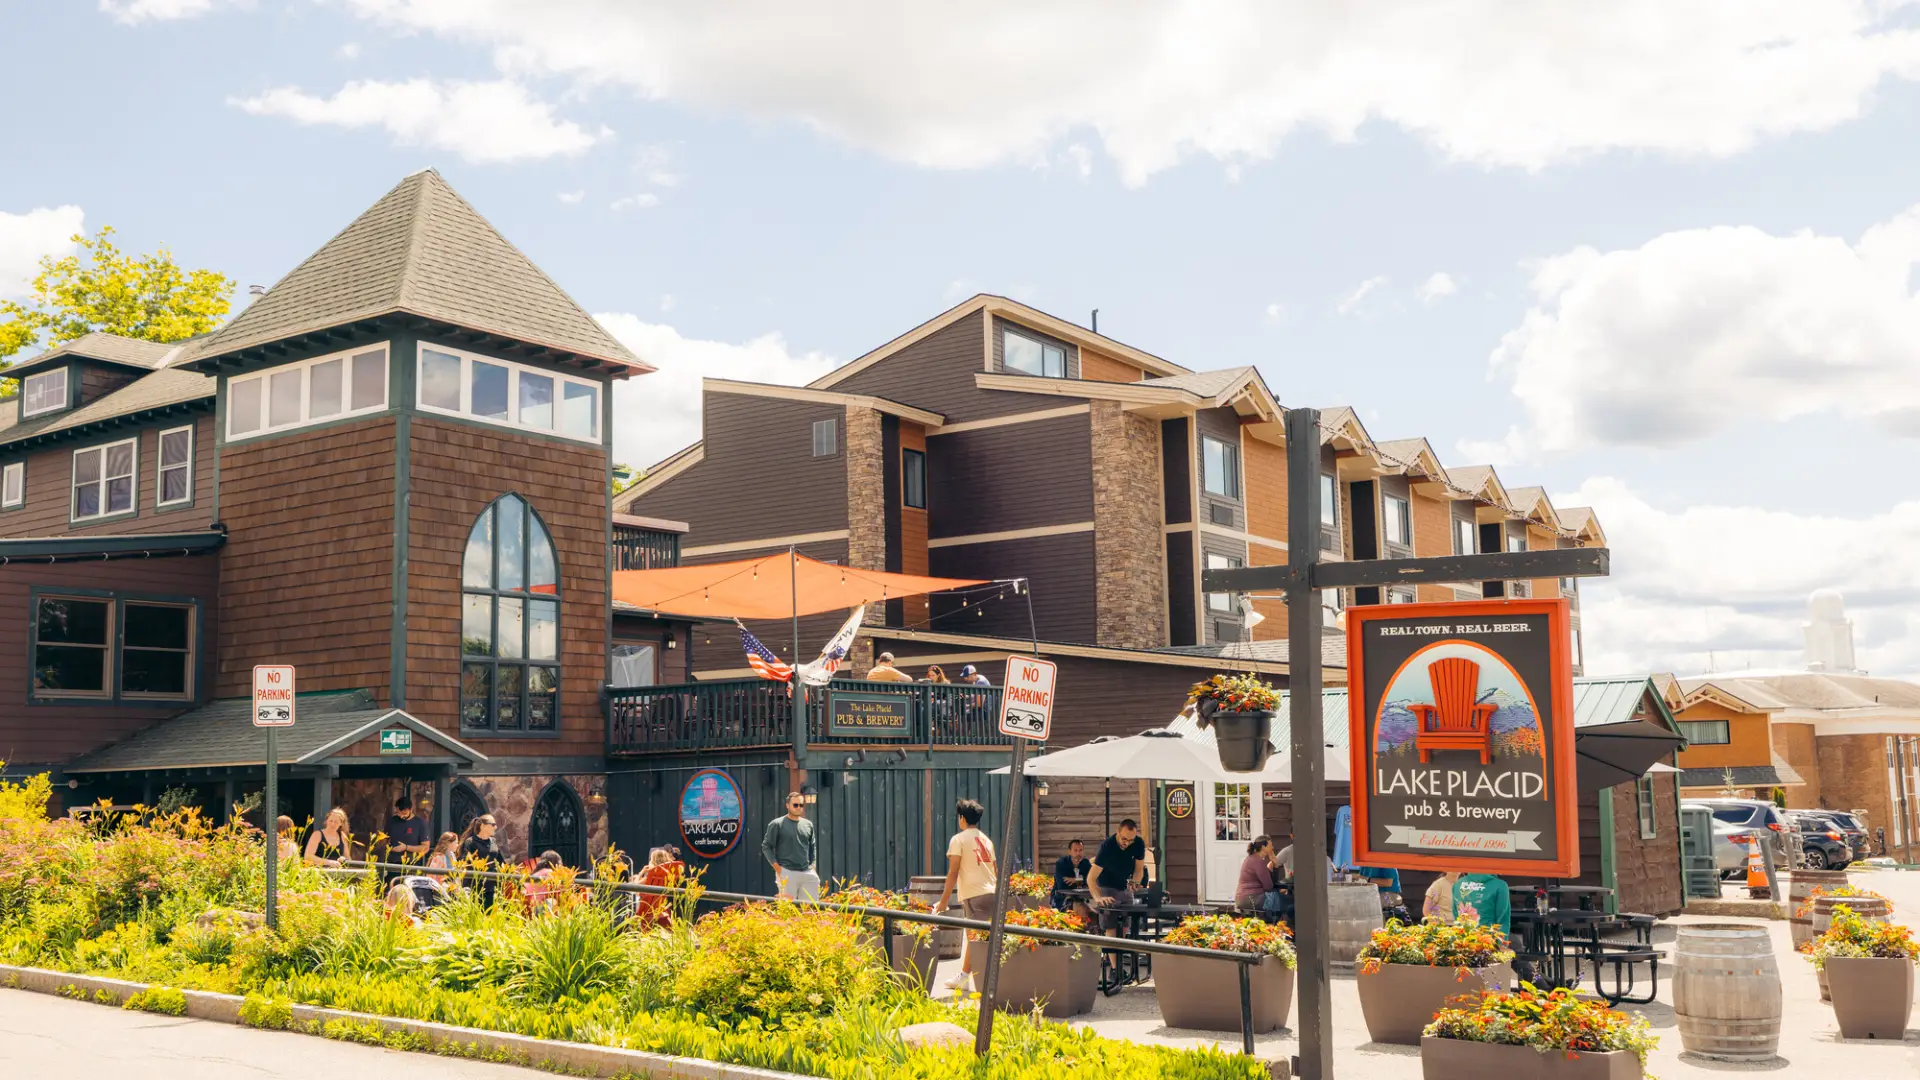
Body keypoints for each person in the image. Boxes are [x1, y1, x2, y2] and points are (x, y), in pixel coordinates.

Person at [932, 799, 998, 992]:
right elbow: (995, 868)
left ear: (962, 818)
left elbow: (953, 872)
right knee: (980, 937)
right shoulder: (986, 840)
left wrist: (943, 902)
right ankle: (965, 976)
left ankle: (966, 978)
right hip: (992, 892)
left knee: (975, 937)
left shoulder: (958, 839)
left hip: (974, 894)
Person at [1087, 819, 1147, 936]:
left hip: (1125, 888)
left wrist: (1135, 882)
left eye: (1131, 840)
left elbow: (1139, 869)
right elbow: (1091, 878)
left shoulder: (1138, 843)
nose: (1127, 843)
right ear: (1118, 832)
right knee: (1111, 929)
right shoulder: (1107, 846)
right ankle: (1111, 948)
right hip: (1107, 888)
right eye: (1124, 839)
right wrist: (1098, 898)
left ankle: (1124, 948)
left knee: (1125, 928)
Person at [761, 792, 819, 901]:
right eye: (795, 805)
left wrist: (813, 866)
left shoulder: (808, 825)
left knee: (811, 908)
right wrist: (778, 869)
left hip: (807, 872)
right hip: (787, 872)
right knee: (787, 908)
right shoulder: (777, 824)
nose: (799, 808)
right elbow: (766, 846)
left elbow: (813, 847)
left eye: (801, 805)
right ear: (787, 805)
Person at [633, 847, 685, 930]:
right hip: (660, 906)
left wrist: (641, 872)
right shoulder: (669, 874)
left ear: (653, 861)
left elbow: (635, 886)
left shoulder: (652, 875)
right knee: (669, 926)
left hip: (646, 908)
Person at [459, 814, 503, 907]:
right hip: (475, 885)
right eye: (493, 824)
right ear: (483, 826)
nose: (495, 827)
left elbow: (500, 862)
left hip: (492, 885)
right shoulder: (471, 842)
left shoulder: (493, 842)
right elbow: (465, 862)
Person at [1235, 836, 1286, 916]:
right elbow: (1269, 886)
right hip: (1251, 899)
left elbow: (1269, 881)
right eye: (1270, 845)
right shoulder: (1258, 861)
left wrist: (1274, 863)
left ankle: (1274, 921)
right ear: (1263, 847)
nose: (1272, 847)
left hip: (1244, 898)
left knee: (1279, 898)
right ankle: (1274, 922)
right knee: (1287, 901)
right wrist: (1274, 862)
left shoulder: (1252, 858)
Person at [384, 793, 432, 873]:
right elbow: (385, 839)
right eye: (398, 813)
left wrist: (406, 847)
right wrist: (387, 847)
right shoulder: (392, 821)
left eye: (404, 813)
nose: (401, 816)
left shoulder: (420, 824)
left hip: (411, 865)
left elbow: (425, 847)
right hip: (392, 863)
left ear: (411, 809)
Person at [1050, 839, 1091, 911]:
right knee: (1083, 910)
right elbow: (1062, 885)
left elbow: (1091, 880)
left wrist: (1076, 880)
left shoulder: (1086, 863)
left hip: (1081, 898)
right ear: (1069, 851)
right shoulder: (1061, 863)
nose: (1078, 853)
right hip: (1061, 898)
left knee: (1094, 913)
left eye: (1080, 850)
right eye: (1075, 850)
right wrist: (1082, 880)